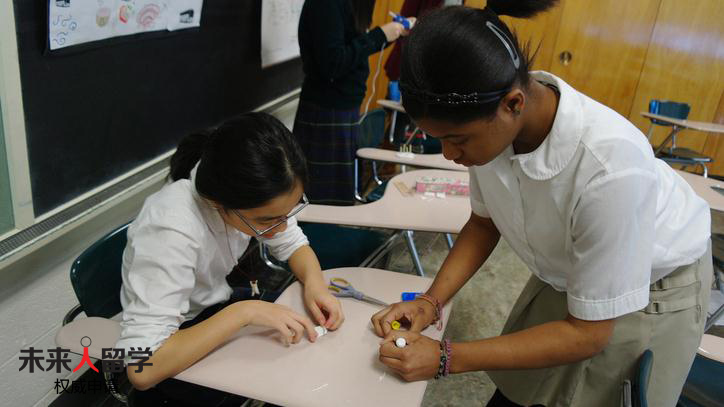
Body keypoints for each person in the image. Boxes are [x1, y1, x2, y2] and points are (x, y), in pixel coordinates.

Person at [371, 3, 712, 406]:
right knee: (520, 392)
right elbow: (484, 223)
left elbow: (588, 333)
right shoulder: (491, 125)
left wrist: (447, 356)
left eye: (458, 140)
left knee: (589, 395)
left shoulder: (610, 168)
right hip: (570, 269)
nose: (449, 155)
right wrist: (430, 302)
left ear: (513, 104)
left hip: (653, 288)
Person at [115, 112, 344, 405]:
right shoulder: (170, 228)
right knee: (286, 374)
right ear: (218, 204)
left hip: (216, 308)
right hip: (175, 341)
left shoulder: (244, 195)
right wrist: (244, 313)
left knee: (308, 355)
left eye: (289, 213)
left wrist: (315, 285)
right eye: (270, 220)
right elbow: (142, 369)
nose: (283, 226)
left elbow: (294, 245)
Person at [294, 0, 413, 205]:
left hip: (344, 107)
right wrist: (380, 35)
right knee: (318, 199)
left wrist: (391, 33)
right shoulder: (326, 5)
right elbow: (333, 64)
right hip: (326, 109)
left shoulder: (351, 5)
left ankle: (328, 234)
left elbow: (351, 48)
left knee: (338, 198)